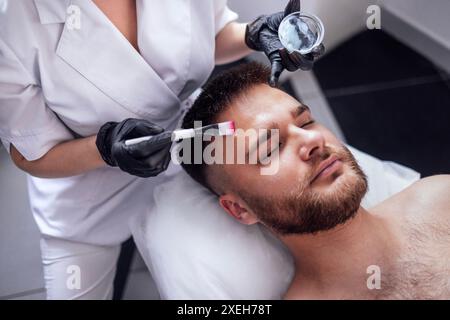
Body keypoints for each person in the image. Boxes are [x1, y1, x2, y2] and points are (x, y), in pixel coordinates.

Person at [0, 0, 322, 299]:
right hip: (90, 188)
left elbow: (214, 34)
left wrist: (253, 34)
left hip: (192, 143)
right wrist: (105, 148)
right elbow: (31, 154)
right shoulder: (11, 27)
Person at [180, 62, 450, 299]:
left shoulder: (441, 200)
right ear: (240, 209)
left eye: (306, 122)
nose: (313, 140)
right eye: (270, 149)